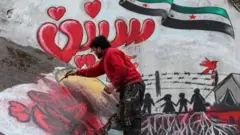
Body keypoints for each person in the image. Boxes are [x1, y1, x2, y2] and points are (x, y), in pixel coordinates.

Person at [65, 35, 145, 135]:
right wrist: (77, 72)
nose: (94, 53)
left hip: (133, 85)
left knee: (128, 115)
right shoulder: (106, 58)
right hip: (131, 86)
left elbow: (121, 69)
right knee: (128, 115)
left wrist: (113, 85)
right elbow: (95, 71)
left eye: (94, 50)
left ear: (99, 48)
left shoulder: (111, 53)